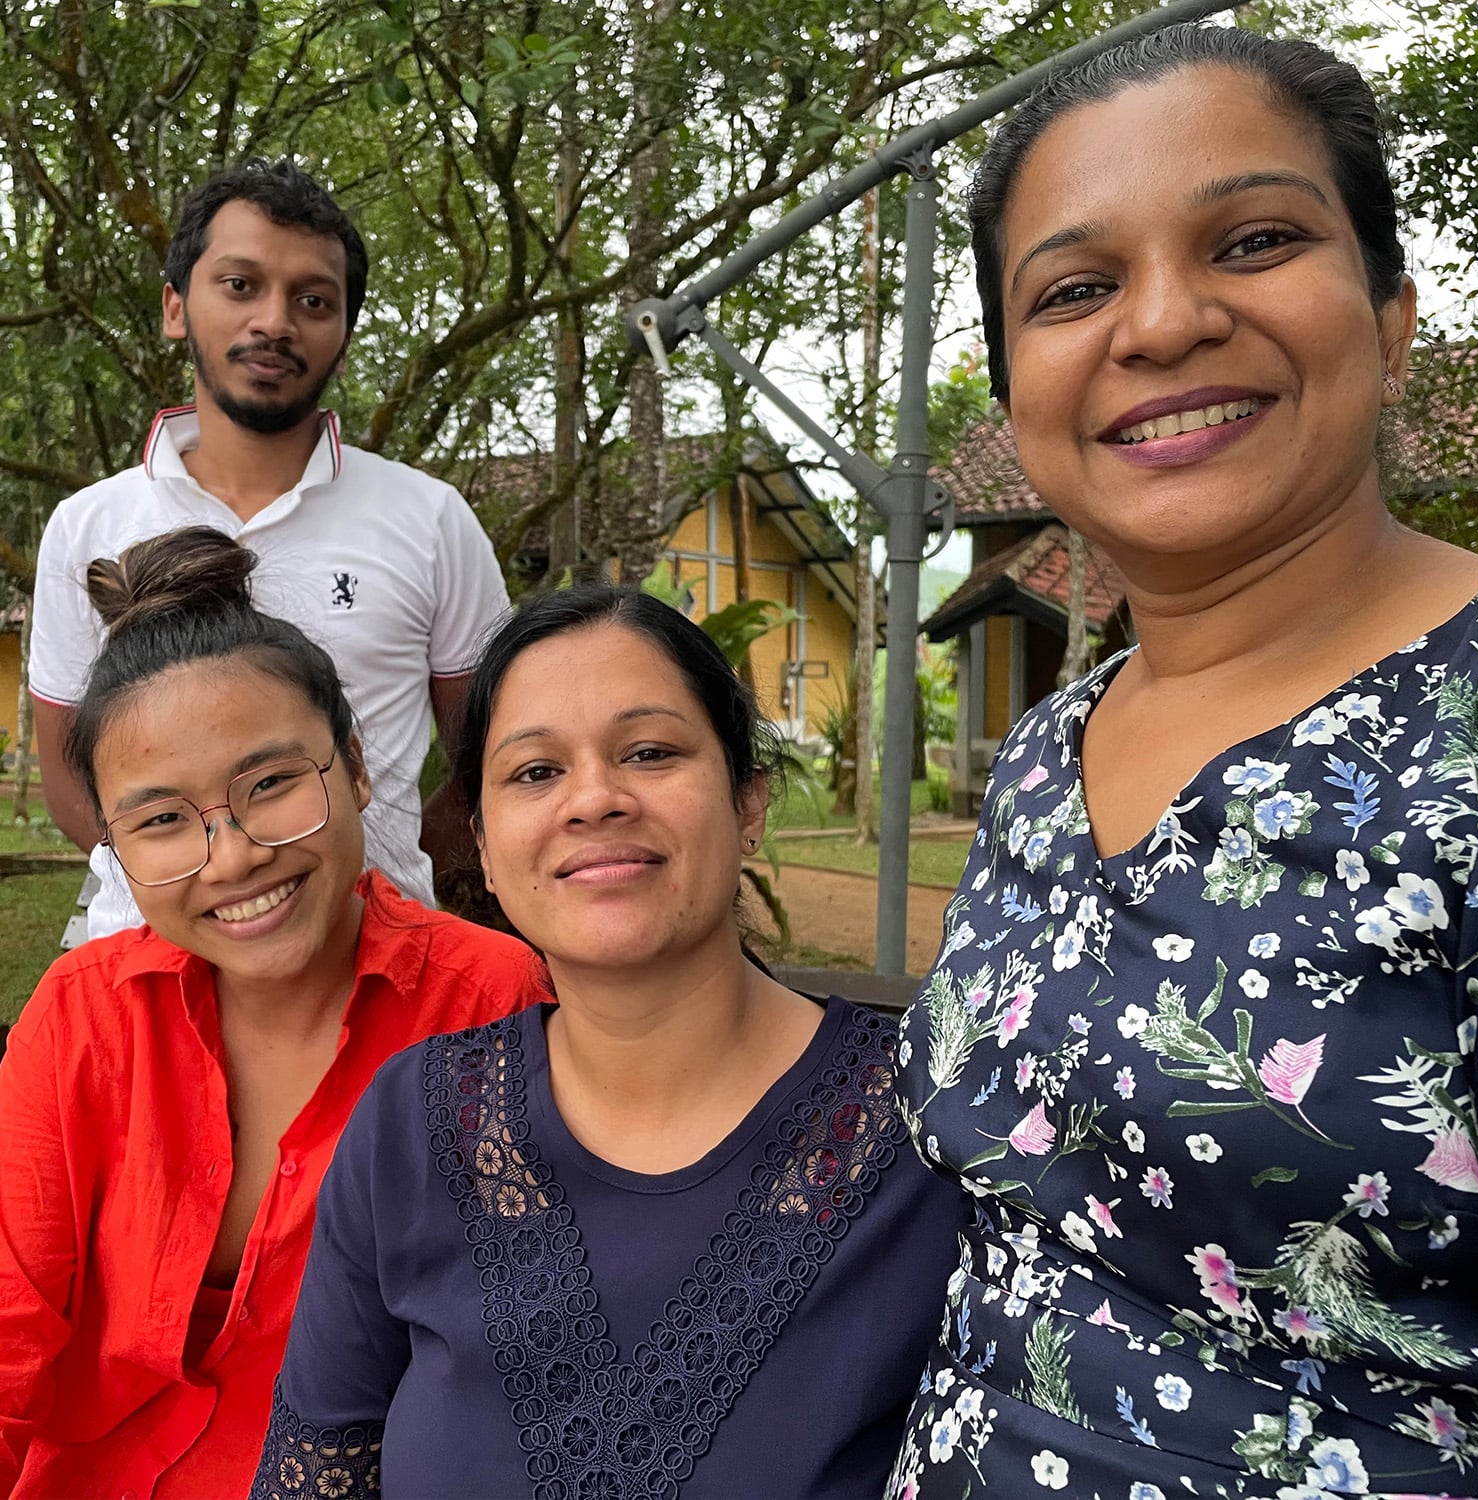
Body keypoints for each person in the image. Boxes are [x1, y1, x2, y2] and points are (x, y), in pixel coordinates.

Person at [887, 23, 1478, 1500]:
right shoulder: (1046, 751)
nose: (1160, 325)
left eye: (1256, 239)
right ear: (1018, 385)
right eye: (1076, 289)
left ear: (1393, 314)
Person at [248, 585, 968, 1499]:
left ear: (749, 803)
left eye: (650, 752)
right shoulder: (414, 1125)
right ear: (483, 842)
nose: (593, 799)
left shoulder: (936, 1126)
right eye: (535, 773)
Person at [0, 528, 549, 1499]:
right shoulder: (79, 1021)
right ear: (114, 846)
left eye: (270, 786)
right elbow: (10, 1333)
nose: (233, 857)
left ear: (354, 766)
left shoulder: (487, 1005)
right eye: (164, 819)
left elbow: (525, 1346)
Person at [29, 156, 507, 940]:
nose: (275, 322)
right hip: (143, 960)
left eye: (313, 299)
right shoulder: (87, 526)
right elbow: (68, 783)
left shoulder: (431, 520)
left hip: (382, 967)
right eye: (241, 285)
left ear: (344, 335)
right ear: (177, 308)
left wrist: (366, 870)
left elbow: (483, 766)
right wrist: (207, 895)